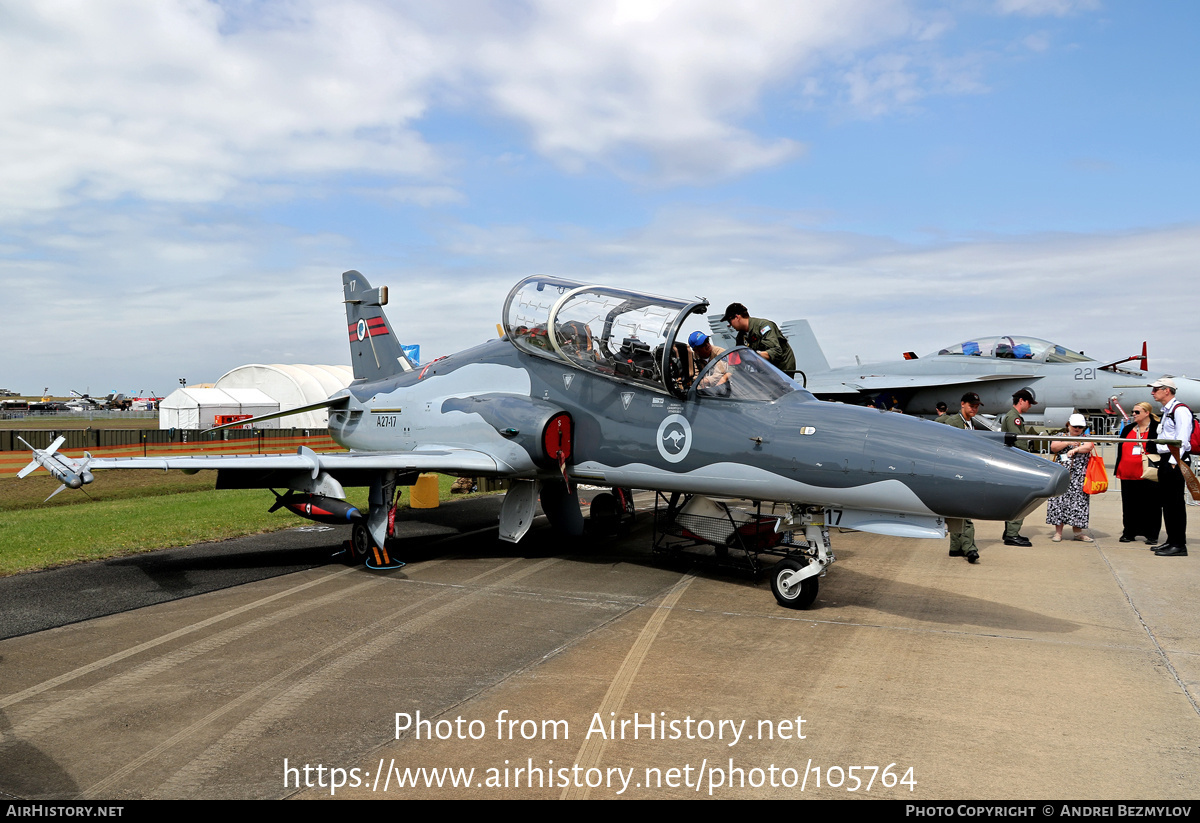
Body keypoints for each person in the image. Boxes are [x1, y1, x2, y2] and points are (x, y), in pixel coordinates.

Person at [937, 392, 983, 563]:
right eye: (972, 405)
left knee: (957, 511)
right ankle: (970, 548)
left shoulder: (971, 423)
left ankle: (956, 547)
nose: (975, 409)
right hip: (956, 472)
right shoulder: (952, 423)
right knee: (966, 510)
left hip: (967, 471)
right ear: (962, 404)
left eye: (977, 406)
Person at [1149, 378, 1191, 556]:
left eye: (1156, 389)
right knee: (1167, 503)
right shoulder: (1167, 411)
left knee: (1175, 504)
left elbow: (1183, 439)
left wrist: (1174, 463)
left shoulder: (1180, 410)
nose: (1153, 392)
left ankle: (1179, 544)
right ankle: (1171, 540)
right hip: (1167, 458)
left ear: (1167, 390)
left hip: (1175, 459)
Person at [1113, 401, 1162, 545]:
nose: (1133, 414)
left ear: (1147, 413)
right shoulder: (1128, 428)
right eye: (1133, 412)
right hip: (1127, 473)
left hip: (1148, 473)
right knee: (1129, 505)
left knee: (1151, 505)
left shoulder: (1156, 428)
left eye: (1137, 412)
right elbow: (1121, 450)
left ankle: (1152, 534)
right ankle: (1129, 532)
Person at [1046, 413, 1095, 543]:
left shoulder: (1085, 437)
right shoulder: (1060, 436)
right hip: (1061, 475)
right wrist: (1068, 442)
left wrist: (1076, 449)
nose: (1077, 429)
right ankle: (1058, 532)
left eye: (1080, 426)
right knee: (1059, 501)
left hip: (1079, 476)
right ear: (1068, 425)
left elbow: (1089, 446)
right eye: (1075, 426)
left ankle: (1078, 532)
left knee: (1079, 502)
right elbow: (1053, 447)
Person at [1000, 388, 1037, 546]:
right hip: (1017, 463)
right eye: (1029, 402)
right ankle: (1012, 534)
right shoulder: (1013, 418)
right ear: (1021, 400)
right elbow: (1019, 442)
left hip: (1012, 463)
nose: (1030, 406)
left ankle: (1010, 532)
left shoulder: (1013, 417)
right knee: (1021, 498)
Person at [720, 303, 796, 376]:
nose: (729, 325)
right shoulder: (741, 336)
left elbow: (775, 351)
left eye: (729, 321)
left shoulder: (764, 326)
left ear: (737, 317)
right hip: (765, 369)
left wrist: (754, 355)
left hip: (782, 369)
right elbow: (737, 356)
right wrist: (729, 374)